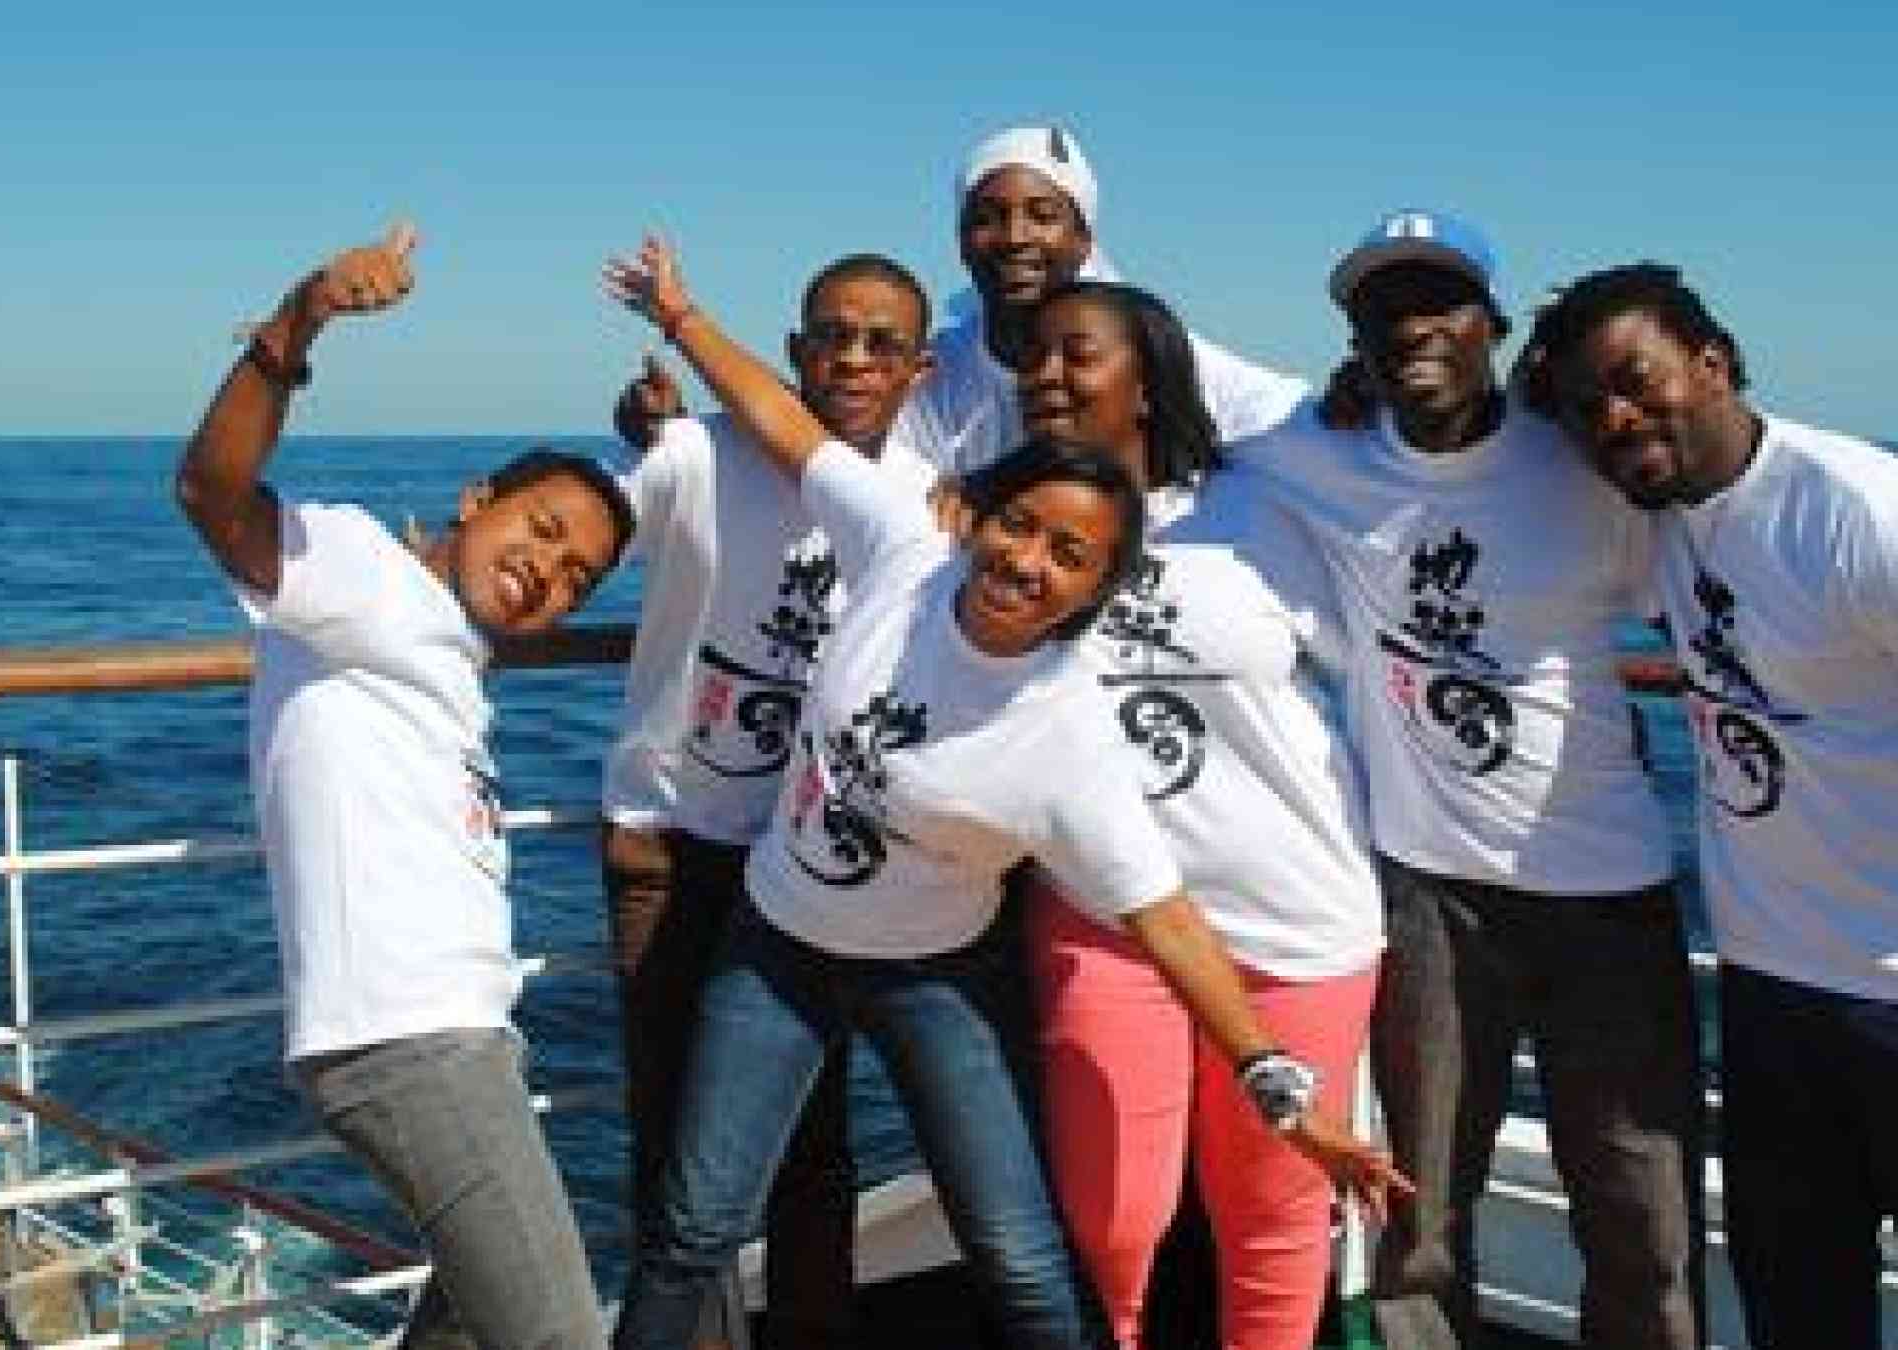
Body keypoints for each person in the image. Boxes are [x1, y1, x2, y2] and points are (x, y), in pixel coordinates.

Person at [598, 234, 1408, 1350]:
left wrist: (1277, 1083)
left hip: (939, 973)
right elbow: (788, 432)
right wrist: (683, 321)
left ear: (1101, 591)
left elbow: (1165, 919)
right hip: (776, 943)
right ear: (978, 515)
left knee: (1024, 1259)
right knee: (694, 1226)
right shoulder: (901, 551)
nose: (1028, 560)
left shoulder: (1068, 737)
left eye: (1069, 555)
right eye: (1019, 524)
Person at [1521, 262, 1898, 1350]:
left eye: (1635, 381)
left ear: (1714, 361)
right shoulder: (1662, 516)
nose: (1615, 417)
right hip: (1775, 996)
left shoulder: (1864, 511)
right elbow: (1511, 430)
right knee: (1798, 1309)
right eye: (1587, 406)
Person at [1227, 211, 1704, 1350]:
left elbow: (1712, 550)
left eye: (1439, 303)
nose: (1412, 330)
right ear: (1354, 337)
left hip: (1604, 893)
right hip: (1428, 898)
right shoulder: (1317, 447)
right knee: (1419, 1212)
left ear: (1493, 326)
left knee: (1641, 1212)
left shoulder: (1583, 460)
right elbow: (1161, 372)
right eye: (1384, 313)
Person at [174, 225, 633, 1350]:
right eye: (543, 529)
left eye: (579, 575)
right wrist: (299, 325)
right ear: (477, 499)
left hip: (465, 1035)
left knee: (471, 1327)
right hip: (405, 1042)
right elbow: (213, 493)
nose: (550, 571)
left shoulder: (448, 648)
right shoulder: (364, 573)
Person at [1009, 280, 1386, 1349]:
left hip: (1293, 922)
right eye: (1033, 357)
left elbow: (1369, 663)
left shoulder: (1262, 513)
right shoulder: (1008, 521)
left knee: (1273, 1222)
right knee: (1112, 1221)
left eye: (1075, 355)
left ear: (1146, 382)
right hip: (1109, 920)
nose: (1045, 375)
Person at [597, 254, 940, 1349]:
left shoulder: (927, 497)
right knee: (670, 1144)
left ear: (918, 369)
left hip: (810, 861)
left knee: (812, 1141)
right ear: (792, 352)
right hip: (668, 844)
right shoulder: (698, 455)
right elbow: (580, 536)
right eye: (830, 336)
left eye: (881, 342)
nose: (852, 359)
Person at [905, 124, 1308, 476]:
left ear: (1084, 240)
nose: (1015, 237)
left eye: (1043, 216)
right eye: (986, 218)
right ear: (960, 241)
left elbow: (1293, 417)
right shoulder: (930, 372)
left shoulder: (1142, 351)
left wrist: (1360, 391)